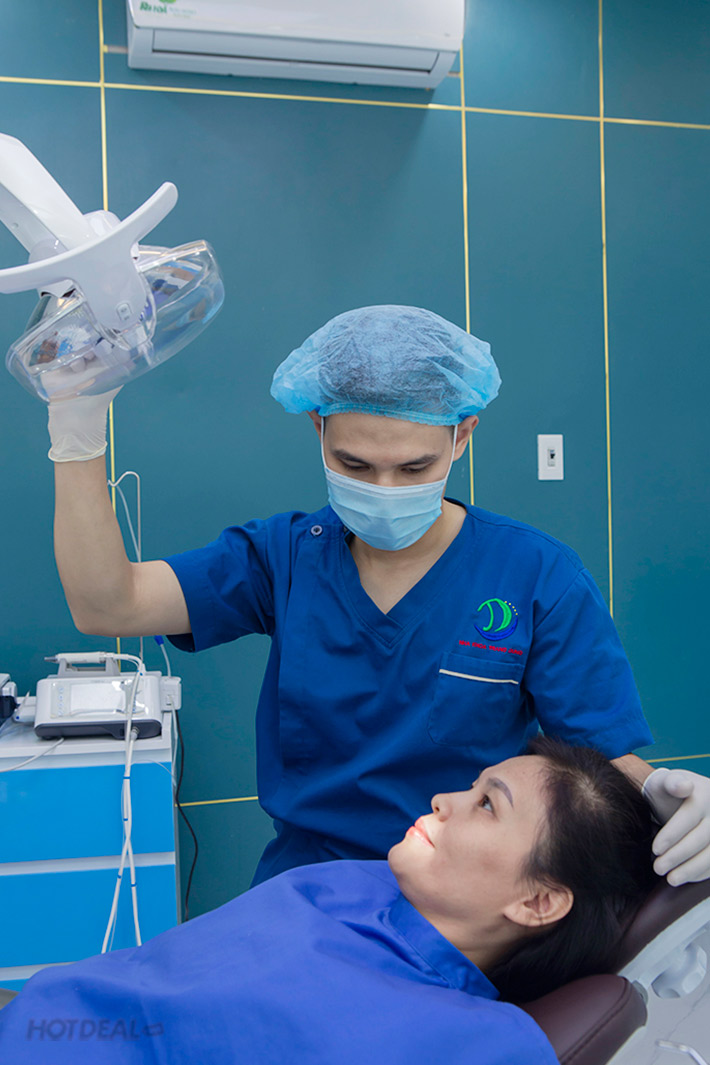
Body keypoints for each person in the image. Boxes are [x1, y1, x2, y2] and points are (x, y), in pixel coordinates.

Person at [49, 305, 710, 888]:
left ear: (462, 435)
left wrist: (659, 790)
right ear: (318, 429)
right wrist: (77, 430)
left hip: (465, 897)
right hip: (311, 894)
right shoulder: (283, 556)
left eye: (414, 467)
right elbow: (109, 606)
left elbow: (597, 756)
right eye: (355, 465)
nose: (385, 490)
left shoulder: (535, 575)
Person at [0, 739, 658, 1064]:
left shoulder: (473, 1039)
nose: (444, 800)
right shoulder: (366, 882)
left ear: (539, 902)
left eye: (487, 804)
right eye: (473, 785)